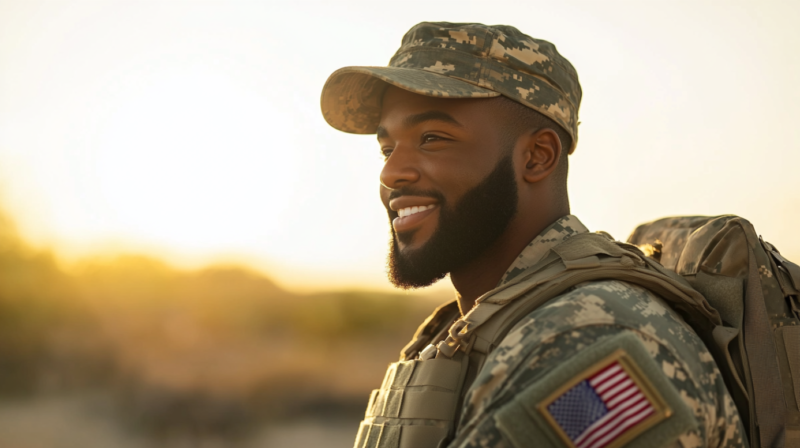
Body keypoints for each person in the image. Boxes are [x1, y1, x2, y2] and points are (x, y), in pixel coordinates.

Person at [320, 22, 746, 448]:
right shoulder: (476, 323)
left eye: (432, 139)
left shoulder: (589, 339)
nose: (391, 173)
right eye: (387, 148)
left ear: (538, 157)